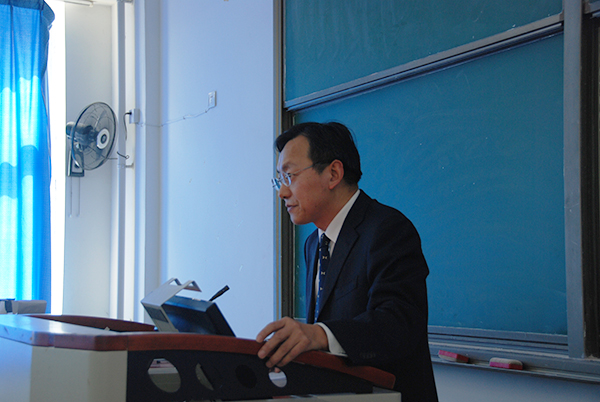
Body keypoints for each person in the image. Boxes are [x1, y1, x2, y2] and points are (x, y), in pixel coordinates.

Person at [256, 122, 438, 402]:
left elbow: (398, 324)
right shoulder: (313, 244)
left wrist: (318, 334)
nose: (282, 192)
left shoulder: (388, 230)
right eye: (279, 179)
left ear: (333, 174)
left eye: (289, 176)